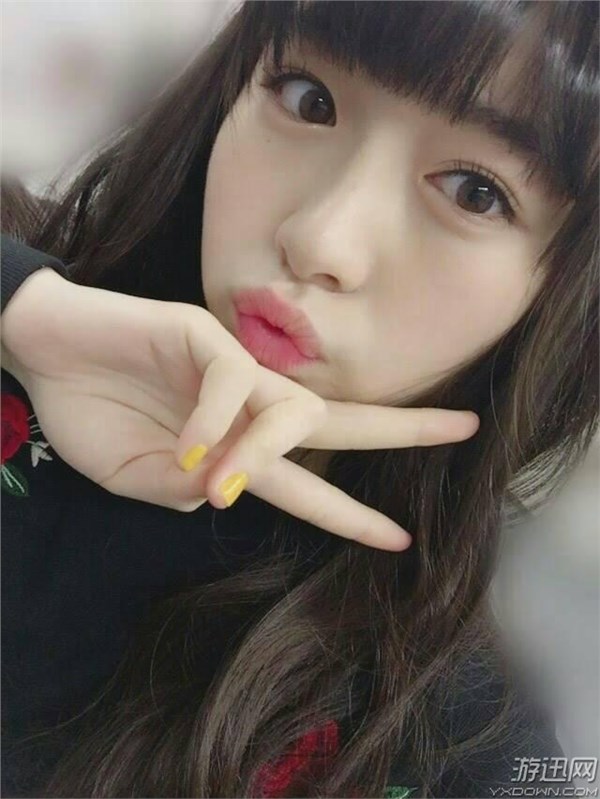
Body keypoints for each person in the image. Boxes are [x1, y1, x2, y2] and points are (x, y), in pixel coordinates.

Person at [1, 1, 597, 796]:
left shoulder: (467, 746)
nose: (319, 239)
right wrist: (22, 317)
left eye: (474, 192)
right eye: (308, 99)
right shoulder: (24, 317)